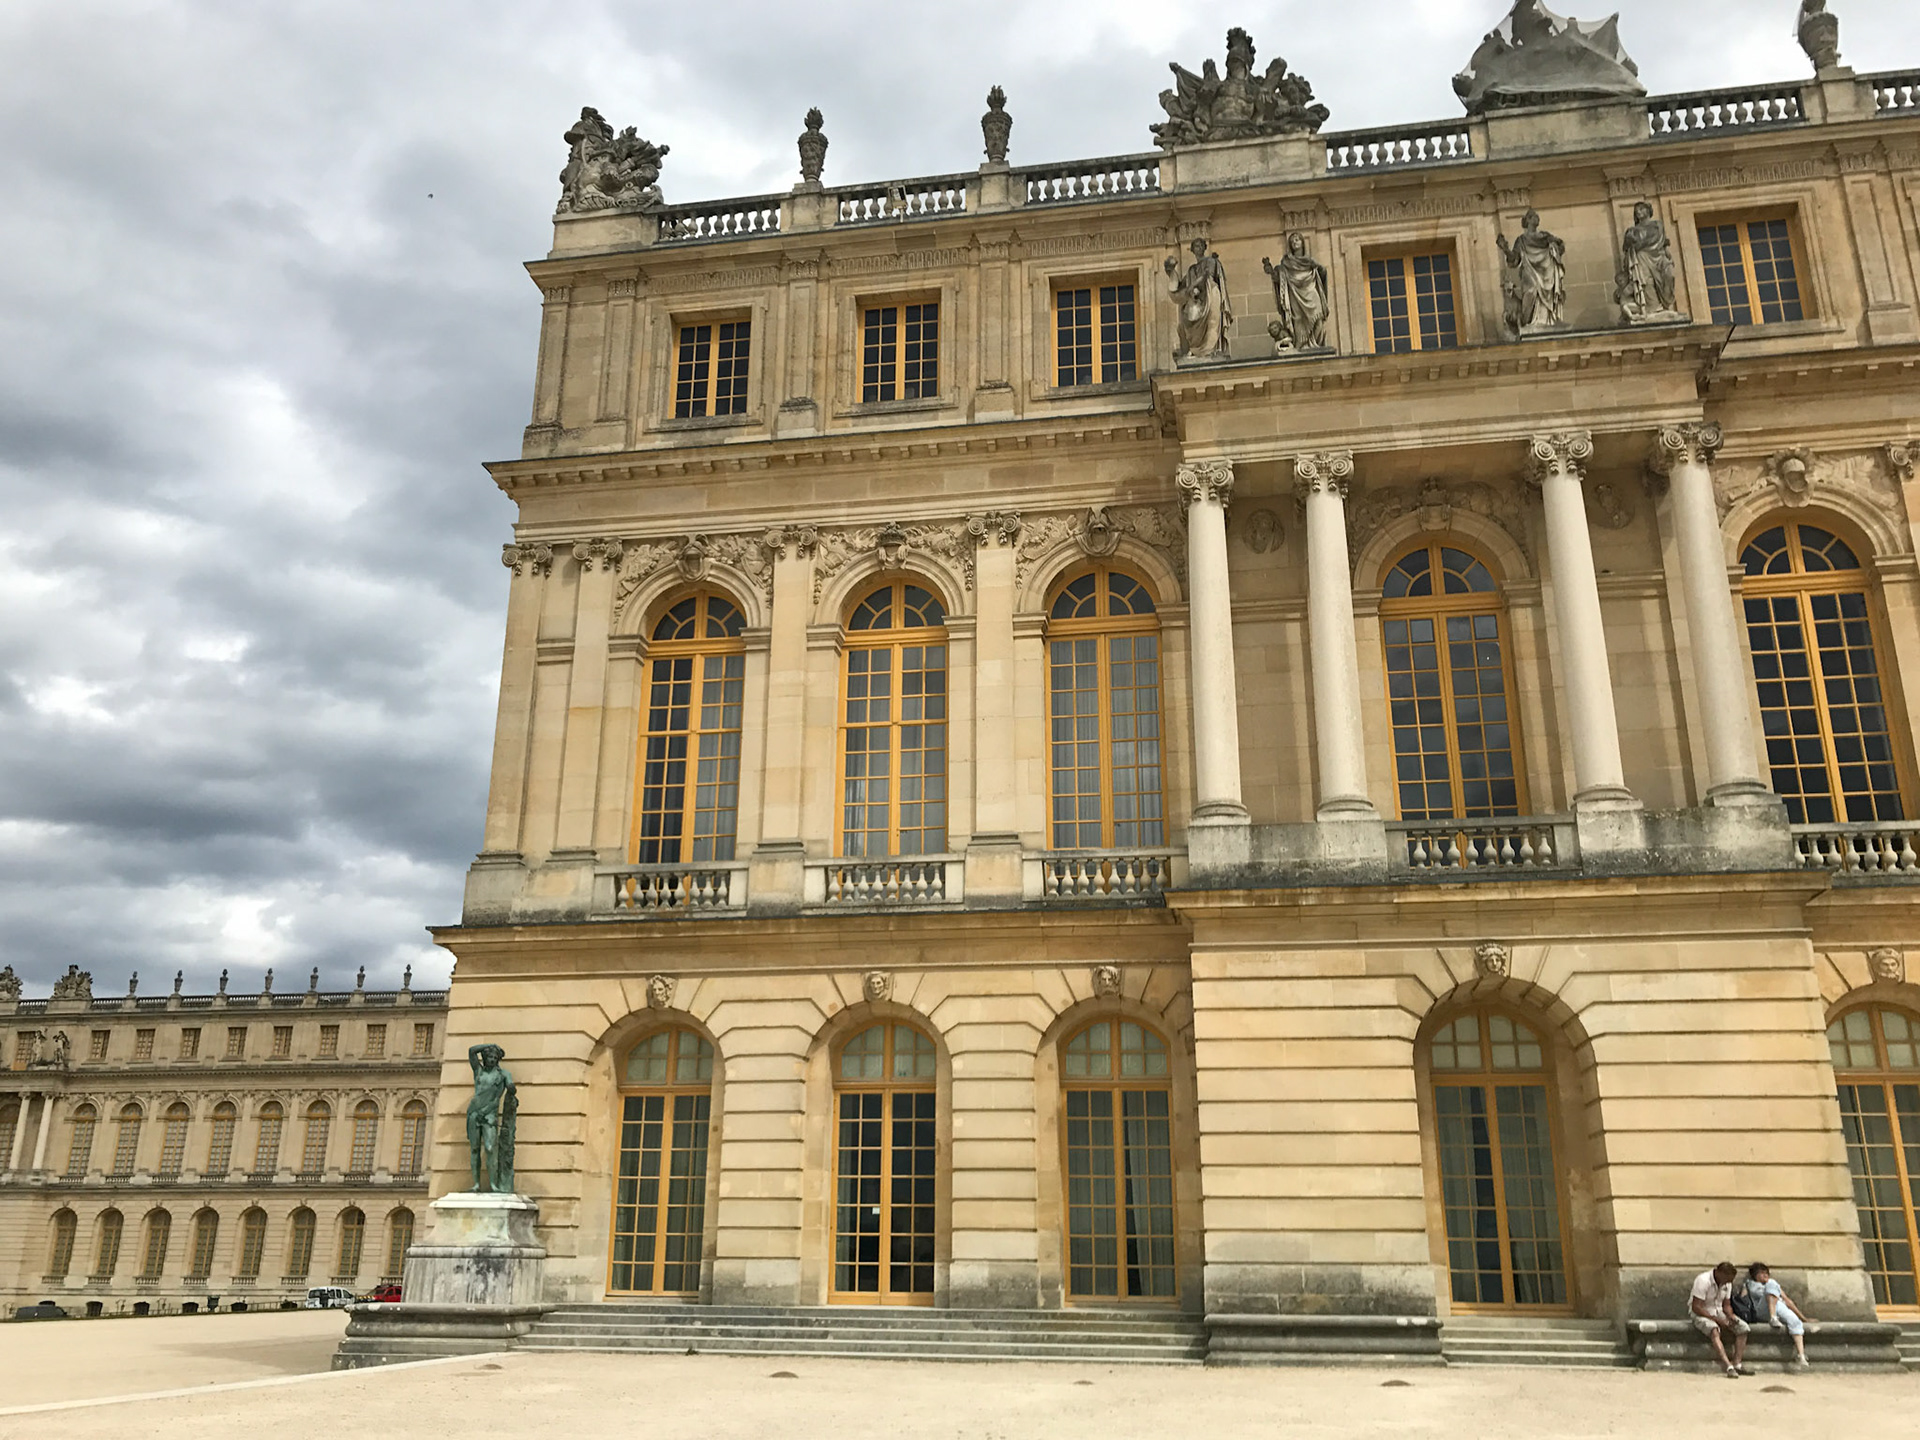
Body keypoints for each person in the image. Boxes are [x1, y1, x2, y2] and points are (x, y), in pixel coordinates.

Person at [1746, 1263, 1813, 1371]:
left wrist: (1803, 1318)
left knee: (1794, 1321)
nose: (1765, 1275)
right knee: (1772, 1283)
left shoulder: (1774, 1285)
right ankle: (1773, 1318)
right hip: (1762, 1309)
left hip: (1778, 1306)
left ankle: (1801, 1355)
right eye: (1761, 1273)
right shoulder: (1750, 1284)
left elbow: (1788, 1301)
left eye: (1766, 1273)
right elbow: (1742, 1299)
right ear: (1755, 1275)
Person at [1689, 1261, 1751, 1377]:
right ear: (1719, 1273)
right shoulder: (1703, 1280)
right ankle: (1728, 1366)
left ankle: (1737, 1363)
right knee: (1714, 1329)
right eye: (1727, 1279)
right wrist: (1717, 1320)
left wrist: (1731, 1316)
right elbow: (1696, 1307)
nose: (1728, 1283)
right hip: (1702, 1312)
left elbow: (1726, 1305)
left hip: (1719, 1311)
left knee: (1743, 1328)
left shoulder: (1727, 1283)